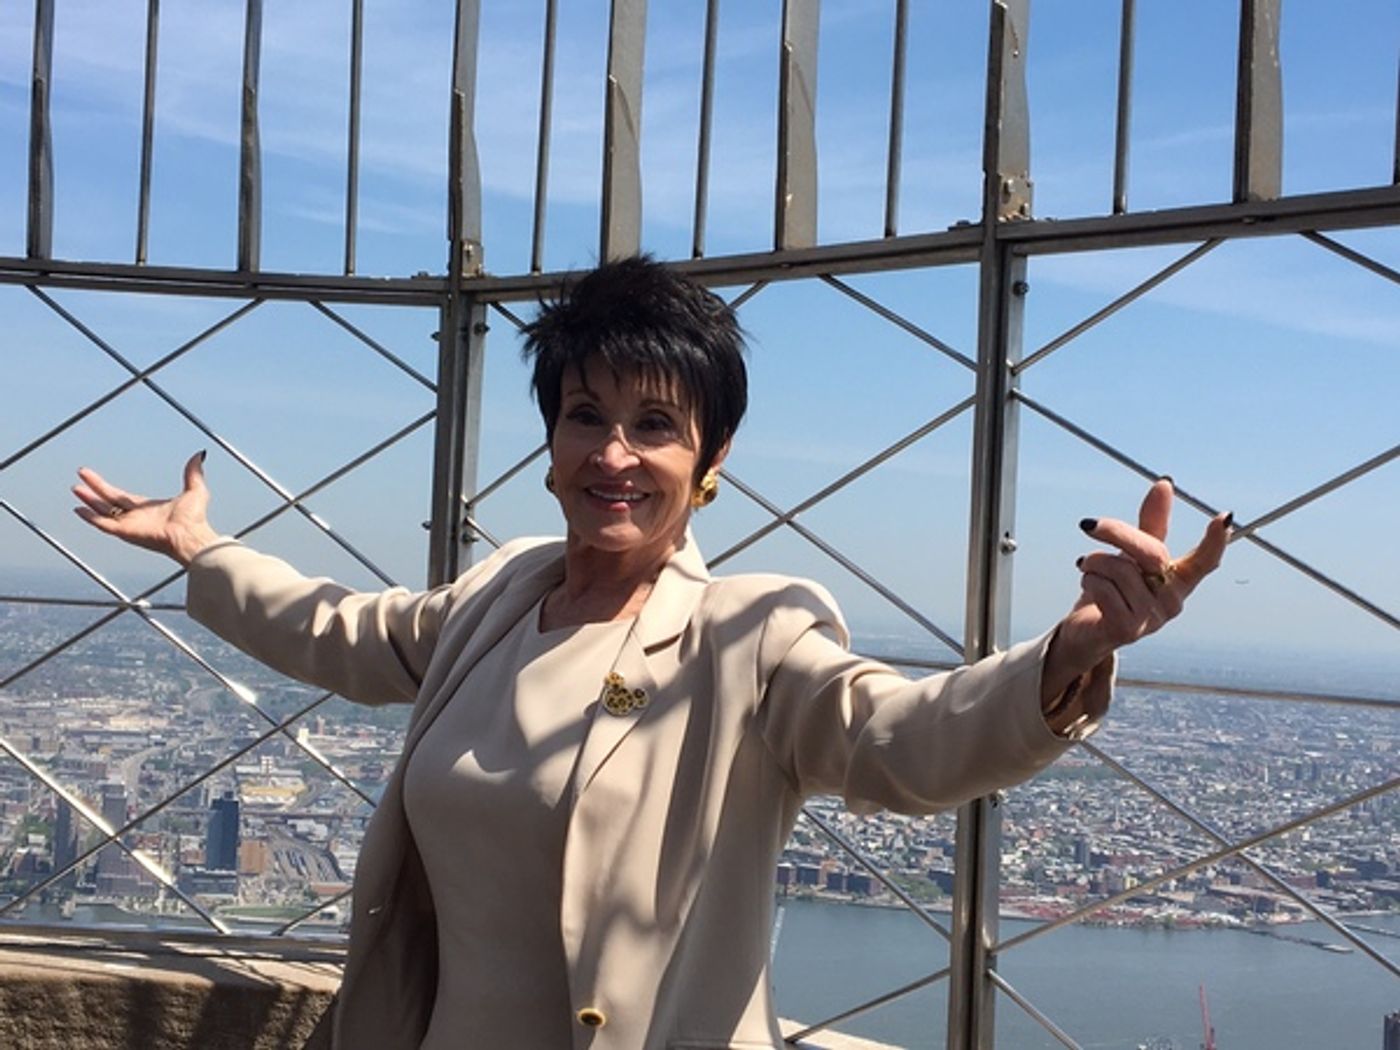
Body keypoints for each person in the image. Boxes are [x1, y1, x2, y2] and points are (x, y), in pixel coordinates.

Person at [73, 256, 1229, 1050]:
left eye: (655, 424)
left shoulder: (748, 632)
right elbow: (341, 630)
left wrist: (1070, 650)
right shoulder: (498, 597)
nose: (613, 454)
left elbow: (900, 742)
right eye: (585, 415)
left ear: (712, 453)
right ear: (548, 439)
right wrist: (201, 548)